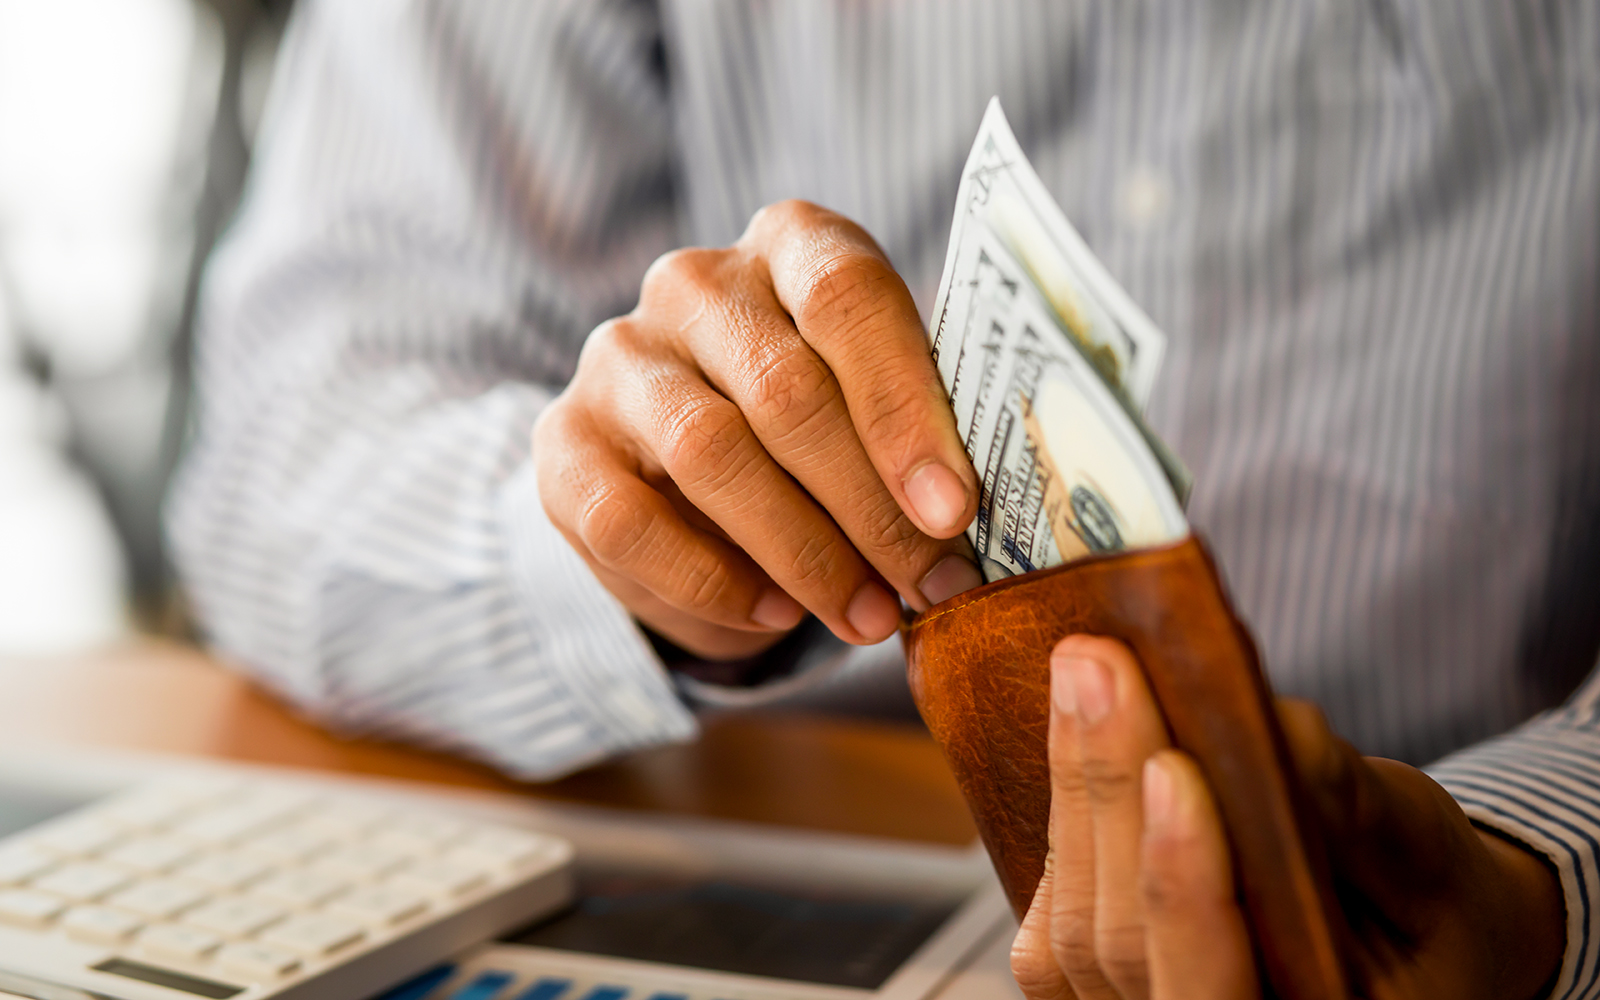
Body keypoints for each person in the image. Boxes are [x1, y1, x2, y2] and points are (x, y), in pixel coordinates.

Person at [167, 2, 1600, 996]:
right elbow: (275, 465)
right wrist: (627, 545)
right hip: (723, 846)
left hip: (1447, 916)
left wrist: (1535, 877)